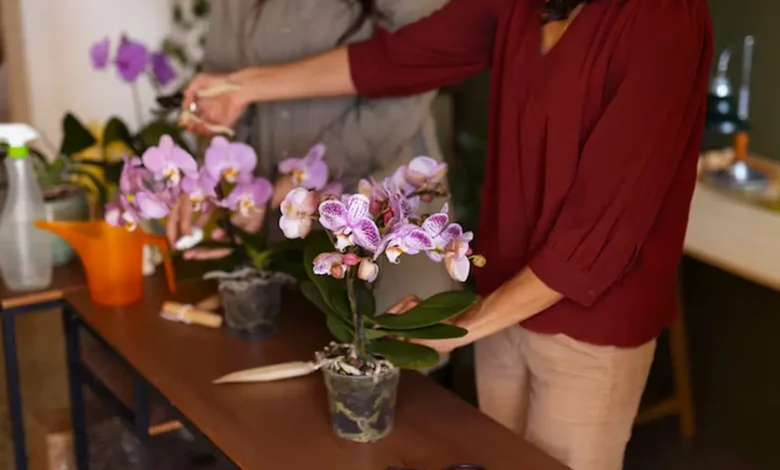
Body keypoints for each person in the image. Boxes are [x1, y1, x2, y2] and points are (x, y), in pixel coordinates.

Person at [181, 0, 713, 468]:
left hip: (590, 325)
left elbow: (598, 233)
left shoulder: (664, 17)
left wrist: (465, 323)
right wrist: (242, 88)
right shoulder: (523, 4)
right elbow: (395, 59)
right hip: (503, 299)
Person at [168, 0, 458, 331]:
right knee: (301, 344)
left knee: (388, 354)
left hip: (383, 202)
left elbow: (417, 68)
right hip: (285, 216)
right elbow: (221, 86)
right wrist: (219, 182)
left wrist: (306, 175)